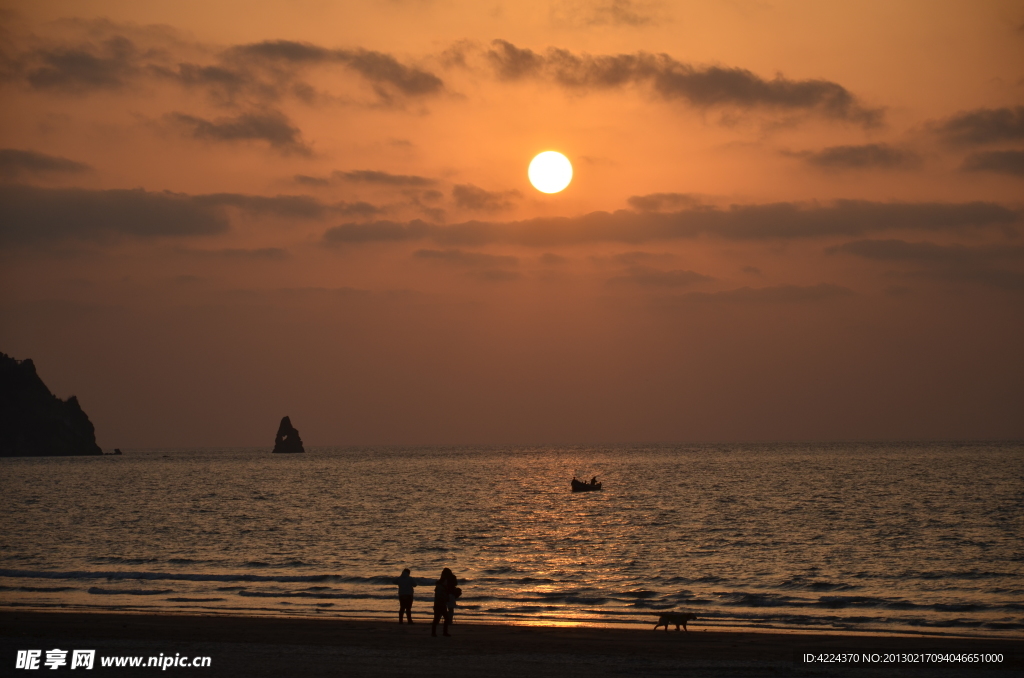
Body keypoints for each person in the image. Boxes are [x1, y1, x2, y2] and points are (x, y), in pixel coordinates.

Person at [431, 568, 458, 637]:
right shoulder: (441, 587)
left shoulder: (441, 586)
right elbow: (441, 596)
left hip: (439, 604)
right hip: (440, 604)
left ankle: (440, 632)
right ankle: (441, 632)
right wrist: (446, 599)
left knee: (439, 618)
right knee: (441, 618)